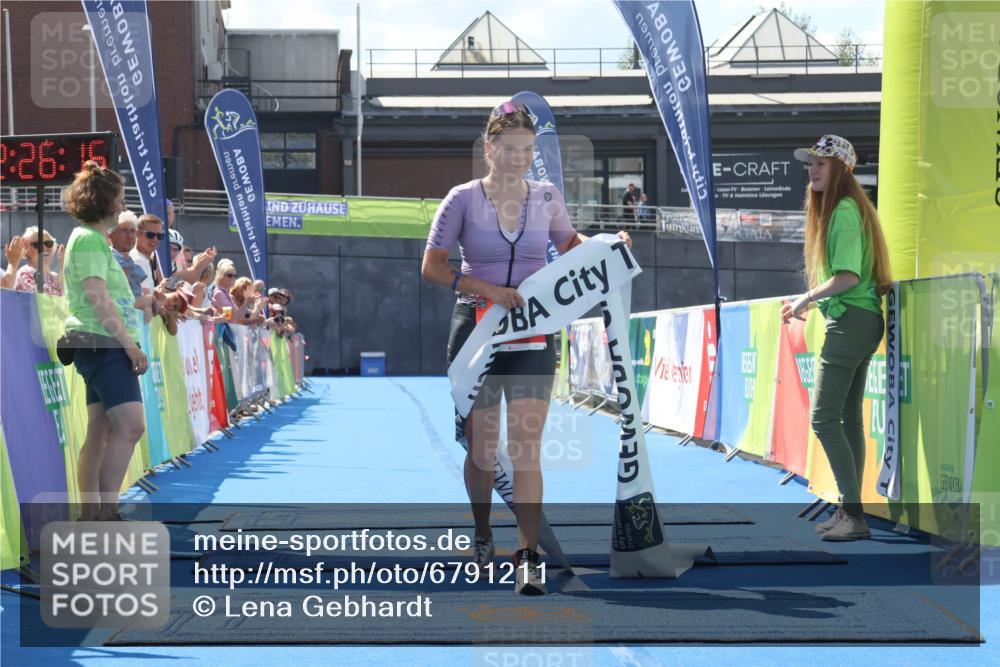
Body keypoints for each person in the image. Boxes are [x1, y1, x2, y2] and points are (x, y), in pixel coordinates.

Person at [421, 100, 632, 595]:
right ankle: (481, 532)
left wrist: (610, 246)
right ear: (490, 148)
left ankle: (527, 555)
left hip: (535, 333)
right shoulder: (462, 199)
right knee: (482, 449)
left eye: (527, 150)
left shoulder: (546, 196)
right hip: (476, 329)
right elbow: (431, 267)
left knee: (526, 448)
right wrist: (488, 291)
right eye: (510, 149)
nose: (519, 158)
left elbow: (572, 248)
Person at [782, 134, 892, 542]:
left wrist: (805, 299)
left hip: (851, 323)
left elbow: (846, 277)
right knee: (845, 419)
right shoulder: (847, 210)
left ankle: (853, 515)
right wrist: (810, 302)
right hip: (858, 320)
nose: (812, 170)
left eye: (821, 164)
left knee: (824, 418)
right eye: (810, 163)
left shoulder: (843, 211)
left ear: (841, 169)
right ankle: (851, 512)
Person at [59, 161, 147, 522]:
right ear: (107, 201)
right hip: (103, 344)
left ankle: (92, 513)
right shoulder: (89, 240)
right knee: (130, 426)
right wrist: (129, 345)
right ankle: (106, 510)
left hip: (99, 343)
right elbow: (98, 297)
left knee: (101, 430)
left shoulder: (89, 239)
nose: (123, 204)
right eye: (120, 198)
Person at [108, 211, 155, 322]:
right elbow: (120, 300)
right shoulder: (111, 261)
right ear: (112, 236)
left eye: (133, 231)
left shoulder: (130, 262)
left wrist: (146, 304)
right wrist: (147, 301)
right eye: (124, 231)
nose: (129, 236)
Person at [14, 226, 64, 295]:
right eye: (39, 245)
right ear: (26, 249)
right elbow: (45, 298)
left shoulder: (55, 276)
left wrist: (62, 268)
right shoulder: (24, 273)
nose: (46, 248)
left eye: (49, 244)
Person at [130, 213, 165, 292]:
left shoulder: (143, 259)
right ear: (137, 233)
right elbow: (146, 298)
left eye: (159, 236)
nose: (155, 239)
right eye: (150, 235)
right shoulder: (138, 261)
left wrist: (161, 288)